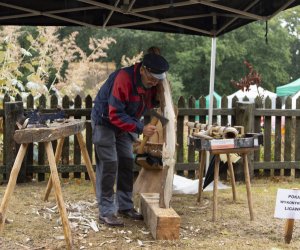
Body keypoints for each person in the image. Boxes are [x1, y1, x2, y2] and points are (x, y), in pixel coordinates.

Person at [91, 51, 169, 226]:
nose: (154, 82)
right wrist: (141, 127)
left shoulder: (153, 84)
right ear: (142, 70)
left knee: (126, 160)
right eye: (152, 78)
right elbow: (115, 114)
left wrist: (165, 117)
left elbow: (152, 105)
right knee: (109, 162)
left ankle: (125, 206)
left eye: (158, 79)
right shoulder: (123, 79)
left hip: (125, 124)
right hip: (105, 121)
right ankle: (106, 211)